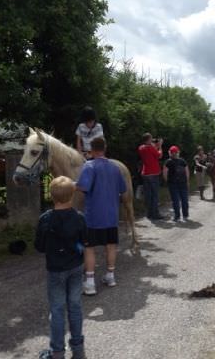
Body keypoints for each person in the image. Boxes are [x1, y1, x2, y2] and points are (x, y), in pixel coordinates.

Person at [35, 176, 87, 359]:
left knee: (57, 310)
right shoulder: (79, 217)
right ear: (72, 195)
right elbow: (84, 241)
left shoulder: (45, 219)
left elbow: (39, 247)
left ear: (51, 195)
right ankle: (79, 350)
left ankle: (57, 352)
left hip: (56, 269)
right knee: (75, 307)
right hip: (76, 267)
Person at [76, 137, 126, 295]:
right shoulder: (115, 167)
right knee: (111, 246)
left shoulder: (89, 165)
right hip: (111, 215)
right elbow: (122, 189)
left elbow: (83, 186)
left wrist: (71, 184)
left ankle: (90, 283)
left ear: (91, 149)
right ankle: (110, 276)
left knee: (89, 248)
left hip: (93, 217)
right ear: (105, 147)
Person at [138, 133, 164, 220]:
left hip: (145, 173)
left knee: (148, 195)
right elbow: (159, 155)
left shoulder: (141, 147)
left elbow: (151, 153)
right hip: (154, 173)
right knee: (155, 194)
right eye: (151, 138)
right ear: (148, 139)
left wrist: (154, 146)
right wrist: (160, 146)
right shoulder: (150, 147)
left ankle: (149, 213)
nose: (152, 139)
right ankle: (155, 214)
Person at [163, 145, 190, 221]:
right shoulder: (182, 161)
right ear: (178, 152)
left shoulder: (168, 162)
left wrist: (167, 181)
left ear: (170, 153)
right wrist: (187, 181)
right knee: (184, 199)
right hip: (182, 183)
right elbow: (187, 171)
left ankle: (177, 216)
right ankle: (185, 215)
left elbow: (165, 172)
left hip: (173, 183)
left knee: (175, 200)